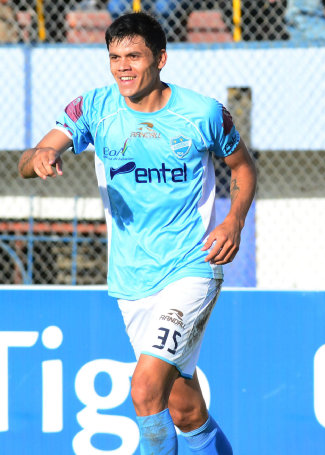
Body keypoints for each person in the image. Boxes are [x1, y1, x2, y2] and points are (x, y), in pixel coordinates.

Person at [18, 12, 256, 455]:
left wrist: (233, 219)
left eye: (133, 56)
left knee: (145, 389)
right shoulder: (93, 108)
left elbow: (242, 166)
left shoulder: (202, 113)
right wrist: (43, 157)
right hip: (131, 278)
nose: (122, 67)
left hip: (192, 267)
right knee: (182, 408)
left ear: (160, 58)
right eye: (114, 57)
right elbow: (32, 156)